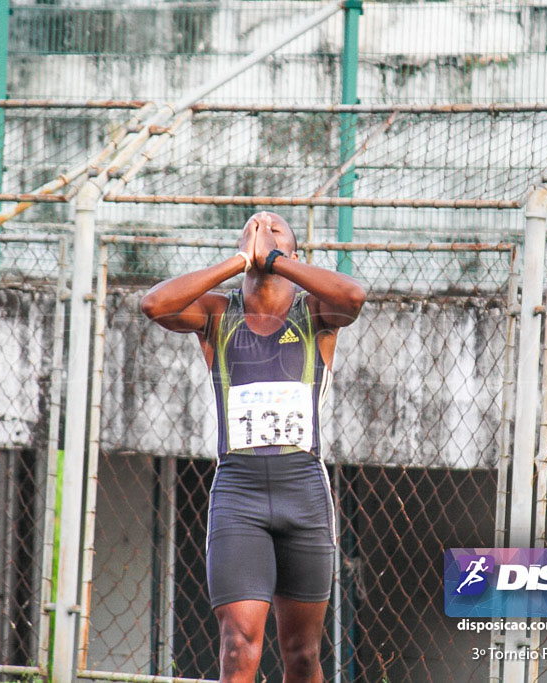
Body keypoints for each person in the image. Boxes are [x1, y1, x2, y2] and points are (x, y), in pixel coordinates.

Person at [140, 211, 366, 683]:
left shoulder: (316, 313)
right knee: (238, 647)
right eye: (252, 227)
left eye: (275, 228)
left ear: (293, 253)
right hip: (238, 497)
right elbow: (155, 305)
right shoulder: (218, 314)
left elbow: (353, 296)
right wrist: (240, 262)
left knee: (302, 654)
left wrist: (277, 262)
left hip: (303, 496)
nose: (262, 226)